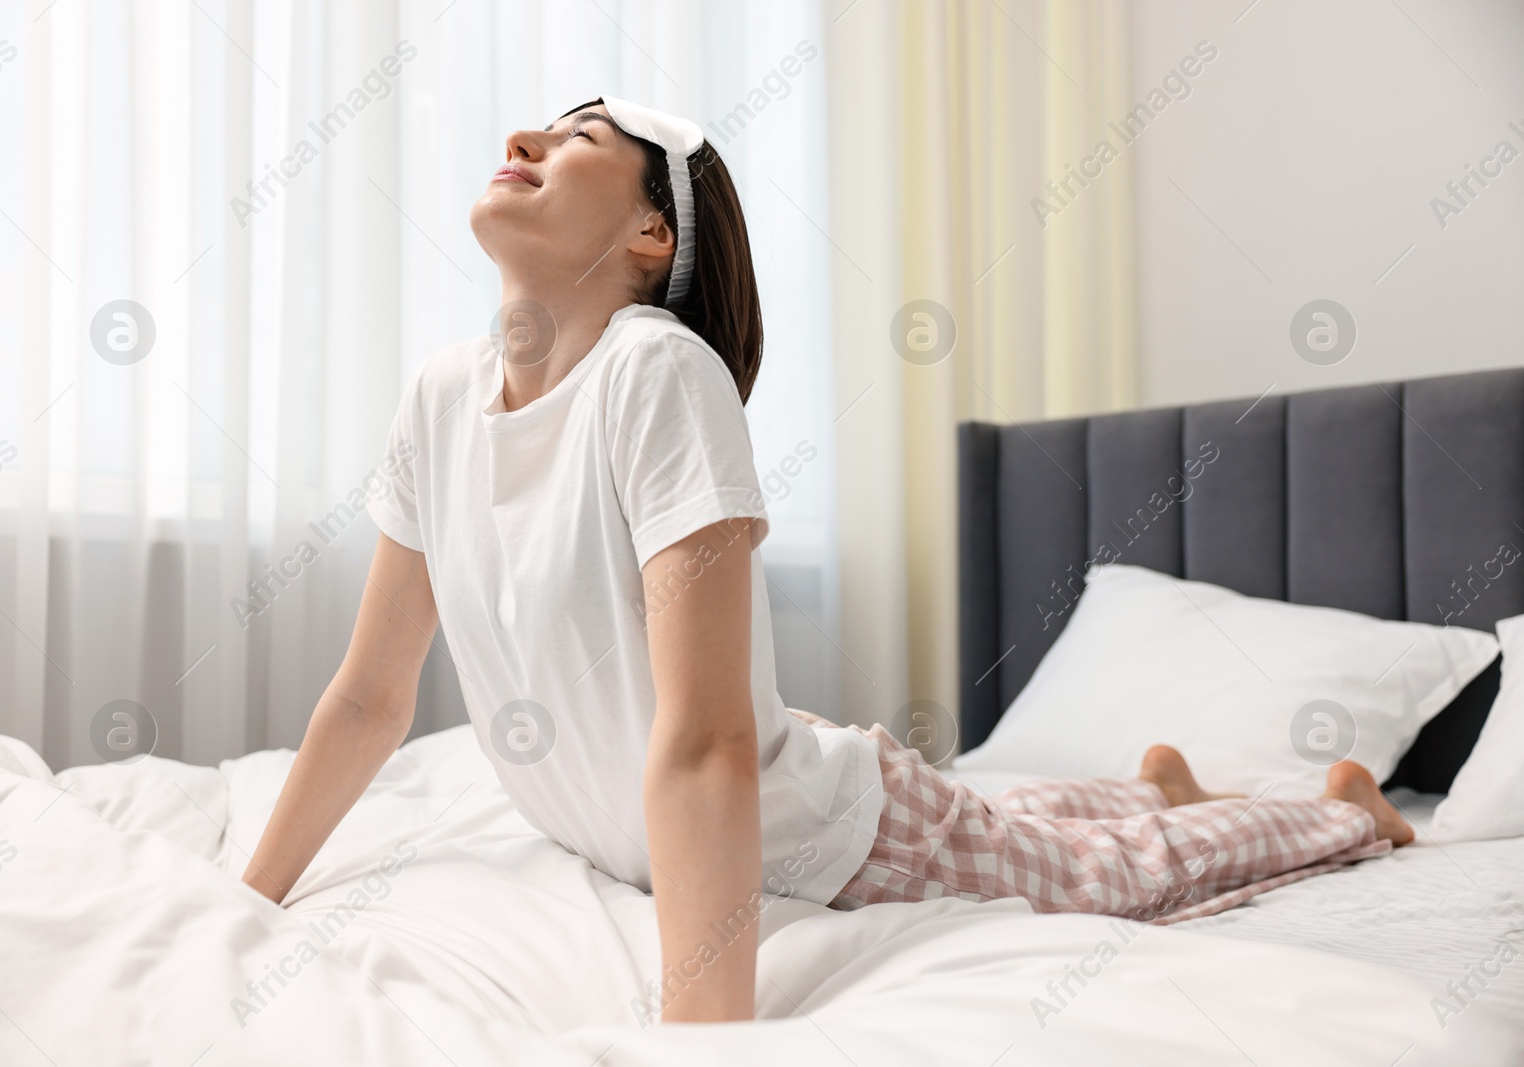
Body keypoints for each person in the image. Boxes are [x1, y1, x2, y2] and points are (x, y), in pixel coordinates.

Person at [240, 96, 1413, 1026]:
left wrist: (707, 1034)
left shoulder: (655, 372)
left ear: (653, 235)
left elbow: (708, 740)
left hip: (840, 837)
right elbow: (368, 693)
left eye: (579, 136)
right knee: (1007, 818)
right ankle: (1150, 781)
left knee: (1113, 874)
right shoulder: (439, 398)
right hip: (781, 785)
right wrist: (243, 904)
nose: (523, 138)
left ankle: (1344, 812)